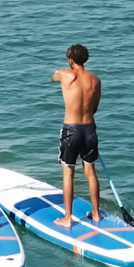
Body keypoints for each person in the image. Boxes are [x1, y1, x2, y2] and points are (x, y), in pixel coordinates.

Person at [51, 44, 102, 227]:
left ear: (71, 61)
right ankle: (96, 213)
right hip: (89, 128)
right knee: (90, 172)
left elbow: (53, 77)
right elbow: (94, 108)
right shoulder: (95, 80)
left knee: (68, 173)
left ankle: (68, 218)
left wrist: (60, 71)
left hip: (71, 129)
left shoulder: (66, 74)